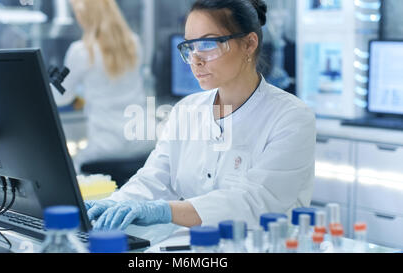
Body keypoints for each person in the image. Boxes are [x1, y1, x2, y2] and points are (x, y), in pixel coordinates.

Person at [86, 0, 316, 231]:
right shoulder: (187, 110)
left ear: (249, 44)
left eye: (208, 43)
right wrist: (110, 205)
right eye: (190, 46)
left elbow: (257, 201)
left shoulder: (291, 118)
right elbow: (153, 179)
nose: (196, 59)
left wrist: (166, 211)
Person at [53, 0, 154, 170]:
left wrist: (55, 80)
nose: (77, 18)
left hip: (105, 148)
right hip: (141, 142)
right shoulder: (134, 43)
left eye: (77, 13)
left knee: (72, 168)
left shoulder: (81, 50)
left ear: (88, 16)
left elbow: (60, 98)